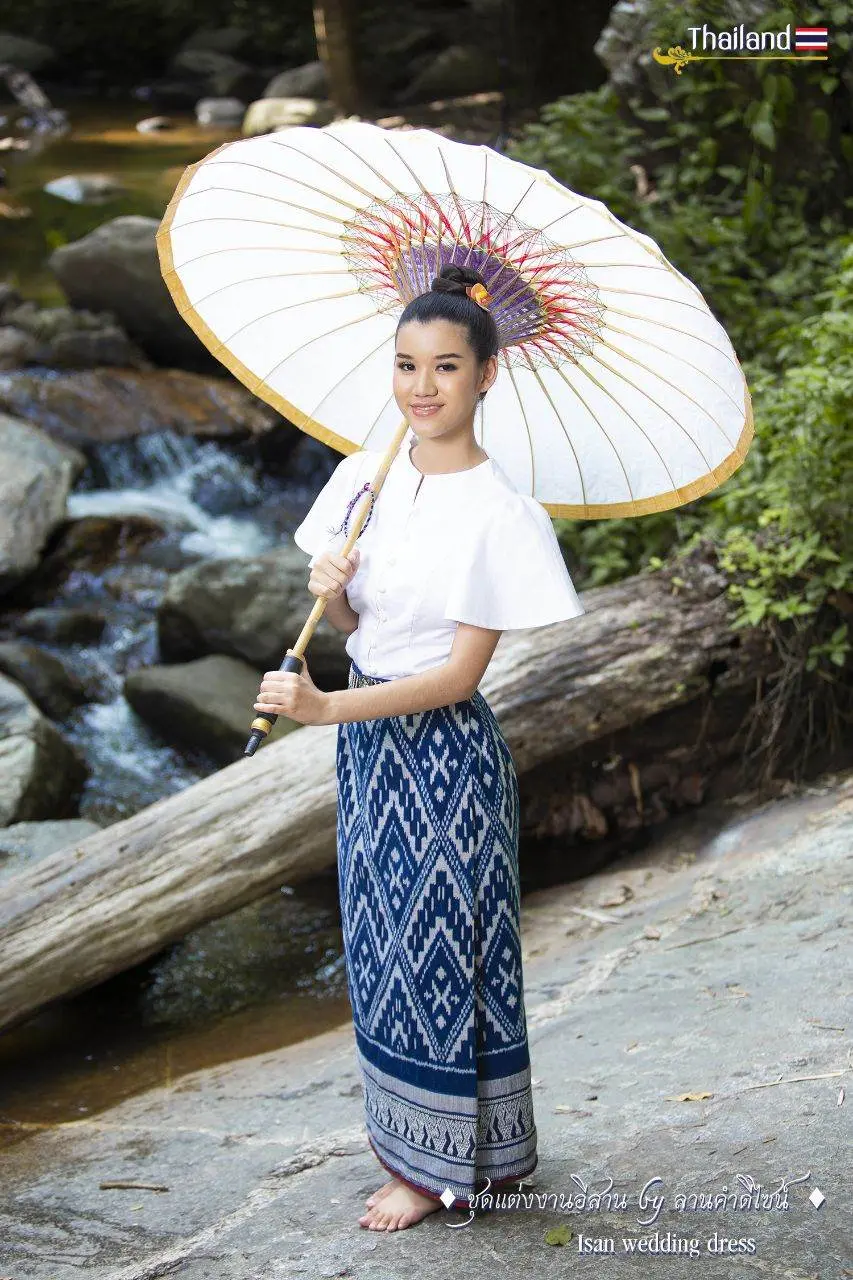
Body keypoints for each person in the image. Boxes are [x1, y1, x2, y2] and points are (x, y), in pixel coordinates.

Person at [253, 263, 585, 1232]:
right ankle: (442, 1150)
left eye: (445, 366)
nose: (421, 386)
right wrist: (335, 579)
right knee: (381, 944)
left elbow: (455, 679)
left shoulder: (500, 513)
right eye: (405, 365)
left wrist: (320, 711)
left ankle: (441, 1165)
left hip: (441, 756)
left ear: (488, 375)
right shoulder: (366, 476)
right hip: (367, 747)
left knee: (447, 945)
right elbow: (353, 622)